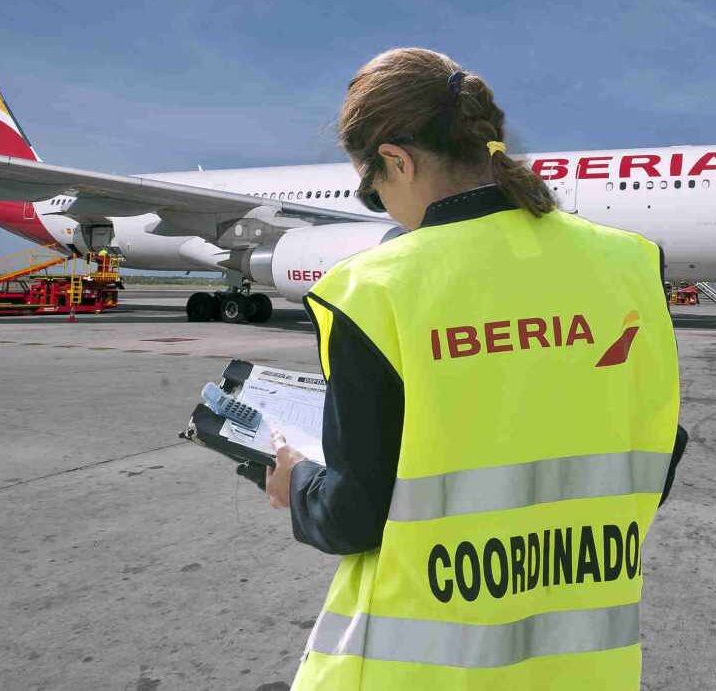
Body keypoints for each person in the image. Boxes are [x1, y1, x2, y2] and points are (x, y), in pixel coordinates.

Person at [262, 48, 687, 690]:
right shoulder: (630, 265)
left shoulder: (371, 290)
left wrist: (296, 484)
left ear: (397, 161)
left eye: (370, 187)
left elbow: (351, 517)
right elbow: (658, 445)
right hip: (587, 667)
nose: (379, 203)